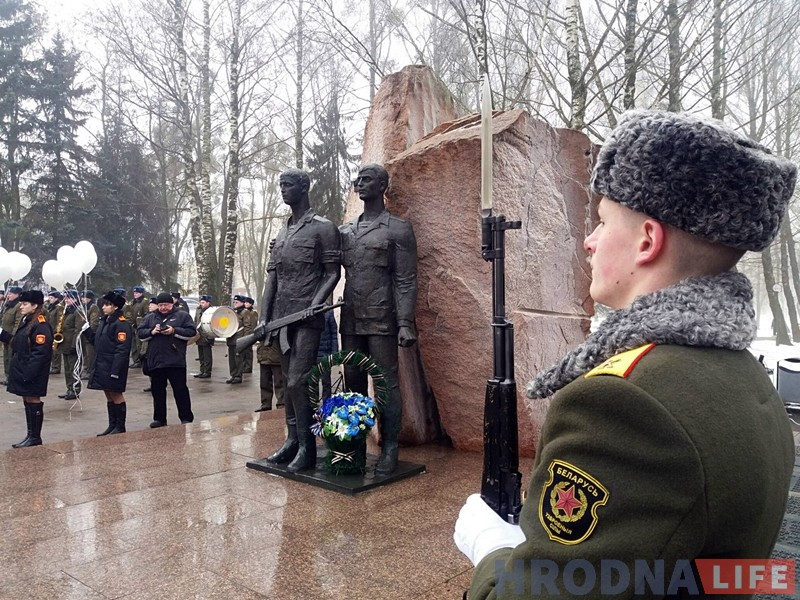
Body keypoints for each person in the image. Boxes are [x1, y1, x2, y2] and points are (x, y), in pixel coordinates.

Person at [454, 110, 797, 598]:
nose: (590, 243)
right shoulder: (747, 377)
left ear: (647, 241)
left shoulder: (624, 406)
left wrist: (492, 551)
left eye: (602, 221)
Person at [258, 168, 341, 473]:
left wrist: (315, 305)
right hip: (282, 318)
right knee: (287, 380)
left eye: (288, 185)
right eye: (280, 185)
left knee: (297, 381)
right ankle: (292, 440)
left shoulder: (323, 228)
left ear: (304, 187)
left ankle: (307, 447)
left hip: (308, 317)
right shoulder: (282, 233)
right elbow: (273, 280)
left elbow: (332, 273)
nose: (282, 190)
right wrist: (264, 316)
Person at [339, 163, 418, 475]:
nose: (360, 184)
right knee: (353, 381)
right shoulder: (345, 232)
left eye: (367, 179)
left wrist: (405, 323)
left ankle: (390, 446)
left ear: (382, 186)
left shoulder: (398, 229)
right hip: (350, 318)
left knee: (385, 383)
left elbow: (406, 280)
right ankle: (355, 443)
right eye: (358, 179)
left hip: (383, 317)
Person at [0, 290, 53, 447]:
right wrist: (2, 334)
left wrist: (29, 373)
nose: (21, 307)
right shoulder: (27, 320)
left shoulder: (40, 325)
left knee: (33, 400)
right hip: (24, 368)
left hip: (33, 371)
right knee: (27, 400)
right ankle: (30, 435)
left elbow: (40, 353)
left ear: (34, 306)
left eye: (24, 304)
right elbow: (18, 343)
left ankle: (35, 437)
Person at [137, 291, 197, 427]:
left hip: (175, 361)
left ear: (172, 304)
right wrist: (152, 331)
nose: (163, 308)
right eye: (160, 305)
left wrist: (174, 331)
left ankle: (186, 417)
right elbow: (140, 333)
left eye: (166, 305)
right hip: (156, 361)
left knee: (180, 390)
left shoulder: (182, 316)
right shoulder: (150, 317)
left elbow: (191, 332)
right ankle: (159, 418)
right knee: (157, 391)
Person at [87, 291, 133, 435]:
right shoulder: (105, 321)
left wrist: (115, 370)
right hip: (103, 364)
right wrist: (87, 331)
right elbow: (98, 342)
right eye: (104, 304)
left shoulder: (121, 324)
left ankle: (120, 426)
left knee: (116, 394)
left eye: (107, 305)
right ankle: (112, 425)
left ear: (115, 307)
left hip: (113, 365)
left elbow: (122, 349)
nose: (103, 307)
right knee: (108, 394)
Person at [56, 290, 80, 401]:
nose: (66, 300)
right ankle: (69, 389)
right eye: (65, 298)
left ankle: (75, 390)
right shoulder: (66, 310)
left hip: (72, 344)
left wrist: (74, 345)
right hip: (65, 343)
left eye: (68, 298)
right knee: (67, 368)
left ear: (75, 299)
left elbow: (78, 329)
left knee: (73, 368)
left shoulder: (78, 311)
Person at [226, 294, 253, 384]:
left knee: (238, 359)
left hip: (239, 340)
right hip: (231, 338)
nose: (235, 304)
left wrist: (245, 340)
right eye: (234, 302)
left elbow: (247, 327)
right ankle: (233, 375)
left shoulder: (245, 312)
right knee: (232, 359)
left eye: (237, 302)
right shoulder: (232, 312)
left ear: (242, 303)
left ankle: (238, 376)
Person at [315, 309, 339, 400]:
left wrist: (334, 353)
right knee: (313, 382)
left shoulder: (328, 312)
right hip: (312, 353)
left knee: (326, 381)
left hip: (325, 353)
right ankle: (313, 403)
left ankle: (327, 402)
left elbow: (334, 333)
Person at [256, 339, 285, 412]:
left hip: (276, 356)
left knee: (280, 382)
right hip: (263, 355)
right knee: (264, 382)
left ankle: (281, 404)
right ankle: (265, 404)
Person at [1, 285, 23, 384]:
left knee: (11, 358)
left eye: (11, 294)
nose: (8, 295)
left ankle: (12, 378)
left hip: (11, 337)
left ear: (17, 295)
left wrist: (13, 337)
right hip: (4, 335)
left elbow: (18, 322)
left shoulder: (18, 306)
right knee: (6, 358)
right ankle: (8, 377)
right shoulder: (8, 305)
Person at [79, 290, 101, 380]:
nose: (82, 299)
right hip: (84, 334)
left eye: (84, 297)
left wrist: (89, 333)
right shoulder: (84, 307)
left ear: (89, 298)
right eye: (82, 297)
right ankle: (86, 370)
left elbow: (94, 322)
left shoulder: (93, 307)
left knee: (90, 355)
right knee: (85, 354)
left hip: (90, 335)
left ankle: (90, 372)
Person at [193, 294, 214, 378]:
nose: (201, 304)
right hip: (199, 335)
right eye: (200, 302)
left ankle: (207, 371)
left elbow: (214, 325)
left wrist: (211, 337)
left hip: (207, 335)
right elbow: (195, 320)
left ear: (208, 303)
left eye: (203, 302)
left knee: (207, 356)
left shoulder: (212, 311)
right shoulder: (198, 310)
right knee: (201, 355)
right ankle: (202, 370)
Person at [141, 296, 158, 393]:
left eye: (152, 304)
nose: (150, 306)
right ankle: (152, 384)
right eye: (149, 304)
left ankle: (155, 384)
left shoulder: (158, 317)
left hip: (154, 346)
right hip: (146, 344)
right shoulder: (148, 317)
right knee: (148, 366)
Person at [128, 285, 148, 368]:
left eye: (137, 293)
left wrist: (141, 323)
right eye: (134, 292)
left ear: (141, 293)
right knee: (134, 344)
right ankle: (135, 359)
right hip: (133, 325)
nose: (135, 294)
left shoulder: (145, 302)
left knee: (139, 344)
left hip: (140, 325)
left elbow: (146, 314)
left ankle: (140, 360)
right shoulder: (133, 302)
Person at [46, 290, 63, 375]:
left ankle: (56, 367)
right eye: (49, 297)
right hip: (49, 329)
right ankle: (53, 366)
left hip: (55, 330)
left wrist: (56, 330)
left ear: (56, 298)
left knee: (56, 350)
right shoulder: (50, 307)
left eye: (51, 298)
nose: (50, 299)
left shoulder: (58, 307)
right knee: (51, 350)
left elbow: (59, 319)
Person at [242, 297, 257, 374]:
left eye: (247, 303)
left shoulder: (253, 313)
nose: (246, 304)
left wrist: (251, 335)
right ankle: (244, 366)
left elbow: (253, 324)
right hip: (244, 334)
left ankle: (248, 367)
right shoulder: (244, 312)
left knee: (248, 352)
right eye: (245, 302)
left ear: (251, 304)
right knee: (244, 352)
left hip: (249, 335)